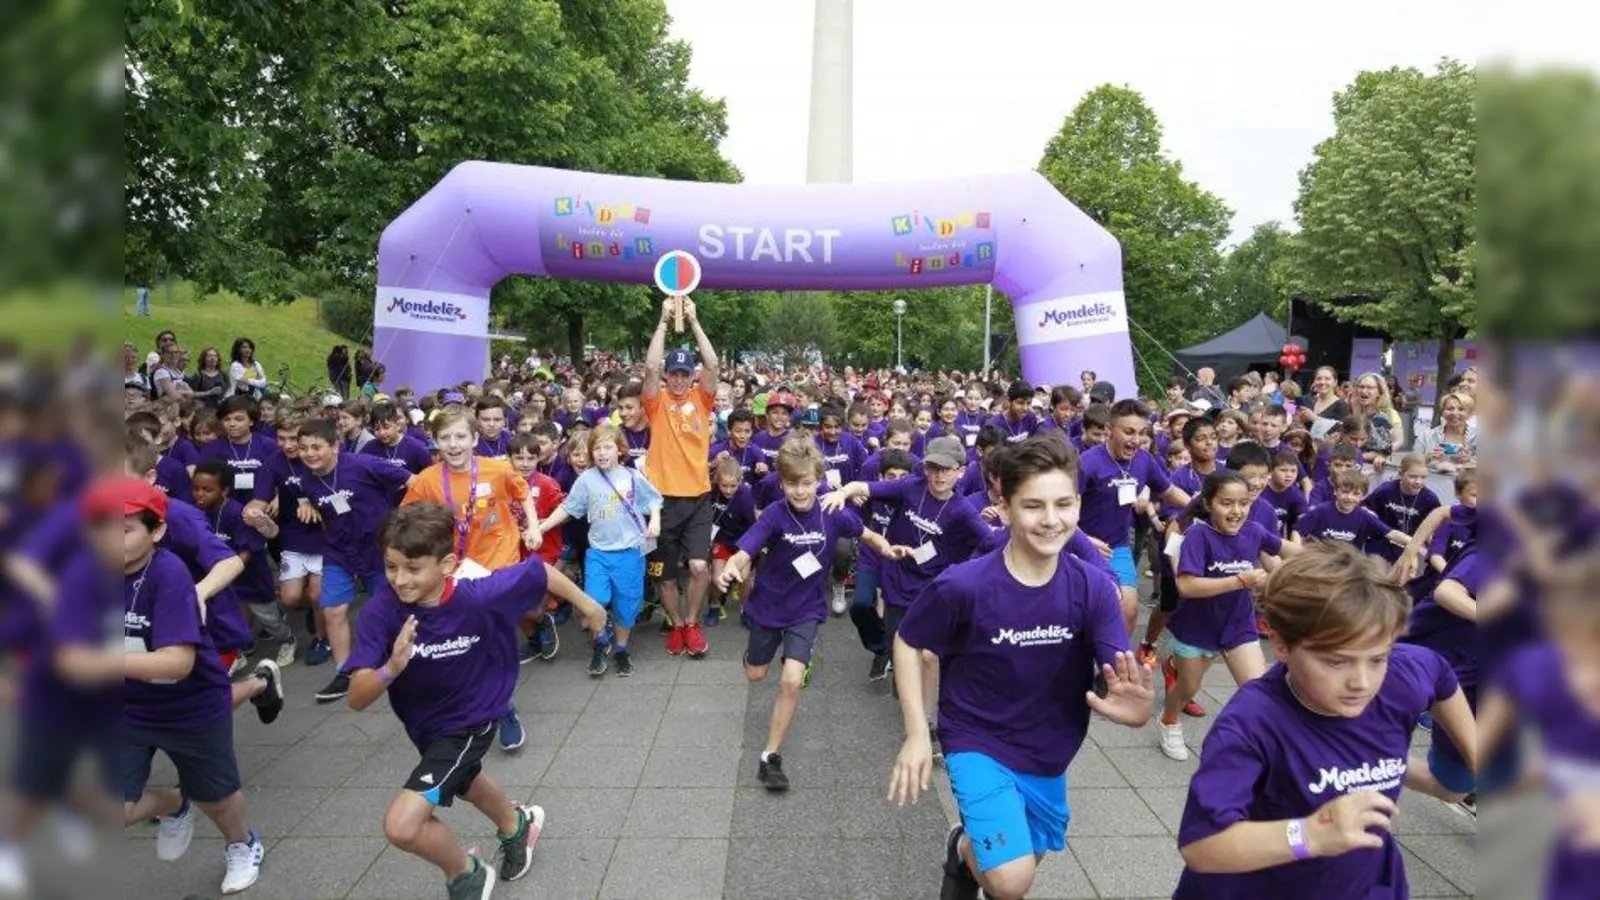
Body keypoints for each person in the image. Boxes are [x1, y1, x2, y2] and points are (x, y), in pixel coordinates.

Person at [886, 436, 1155, 900]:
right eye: (1033, 506)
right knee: (1011, 883)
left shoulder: (1091, 587)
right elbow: (908, 641)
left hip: (1052, 747)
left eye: (1064, 504)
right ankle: (969, 849)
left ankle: (967, 853)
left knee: (1023, 860)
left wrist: (1132, 705)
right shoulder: (963, 585)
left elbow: (1117, 670)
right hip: (976, 739)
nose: (1051, 520)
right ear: (1004, 507)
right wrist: (916, 733)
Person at [1173, 542, 1475, 898]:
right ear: (1281, 646)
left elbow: (1439, 676)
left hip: (1365, 882)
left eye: (1377, 659)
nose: (1361, 682)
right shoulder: (1251, 723)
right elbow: (1202, 845)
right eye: (1336, 661)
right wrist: (1309, 834)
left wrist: (1475, 750)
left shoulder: (1403, 672)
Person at [345, 502, 606, 900]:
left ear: (447, 564)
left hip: (475, 717)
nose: (399, 579)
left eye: (413, 568)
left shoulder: (479, 595)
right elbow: (356, 699)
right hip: (425, 723)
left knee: (402, 826)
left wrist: (589, 606)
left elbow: (538, 570)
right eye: (391, 566)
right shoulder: (381, 611)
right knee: (465, 781)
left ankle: (465, 874)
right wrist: (390, 669)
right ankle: (515, 824)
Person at [716, 439, 901, 791]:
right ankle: (758, 656)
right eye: (791, 484)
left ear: (818, 479)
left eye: (806, 483)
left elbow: (868, 534)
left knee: (790, 680)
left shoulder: (832, 511)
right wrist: (732, 567)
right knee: (756, 675)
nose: (799, 491)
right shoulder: (774, 513)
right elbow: (747, 549)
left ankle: (770, 756)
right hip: (769, 605)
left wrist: (886, 548)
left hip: (806, 609)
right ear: (781, 482)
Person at [118, 478, 266, 895]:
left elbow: (178, 663)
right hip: (126, 709)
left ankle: (242, 844)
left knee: (216, 798)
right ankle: (171, 802)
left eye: (123, 529)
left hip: (190, 707)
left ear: (156, 531)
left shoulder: (169, 575)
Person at [402, 408, 544, 749]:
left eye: (460, 436)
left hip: (499, 561)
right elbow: (406, 519)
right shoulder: (427, 480)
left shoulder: (497, 469)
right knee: (478, 639)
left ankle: (501, 702)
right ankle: (500, 704)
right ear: (435, 442)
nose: (454, 445)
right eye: (446, 438)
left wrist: (534, 527)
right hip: (457, 570)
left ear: (475, 439)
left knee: (498, 631)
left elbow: (522, 492)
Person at [247, 417, 414, 703]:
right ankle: (344, 671)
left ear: (335, 446)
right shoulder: (306, 481)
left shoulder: (363, 464)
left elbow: (414, 481)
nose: (309, 454)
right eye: (303, 448)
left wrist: (404, 523)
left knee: (389, 607)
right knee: (333, 610)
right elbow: (325, 512)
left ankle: (406, 661)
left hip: (378, 549)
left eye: (316, 447)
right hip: (338, 551)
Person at [1158, 471, 1302, 762]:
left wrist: (1333, 560)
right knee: (1187, 688)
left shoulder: (1254, 530)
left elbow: (1291, 551)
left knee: (1257, 689)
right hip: (1197, 628)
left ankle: (1257, 744)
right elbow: (1186, 586)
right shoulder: (1198, 536)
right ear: (1210, 504)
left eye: (1243, 503)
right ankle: (1169, 720)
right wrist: (1240, 581)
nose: (1236, 511)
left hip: (1238, 625)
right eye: (1226, 503)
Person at [538, 424, 664, 677]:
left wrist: (655, 519)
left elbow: (653, 499)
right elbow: (569, 507)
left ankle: (620, 649)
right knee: (595, 602)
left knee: (626, 606)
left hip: (629, 553)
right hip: (598, 554)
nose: (602, 453)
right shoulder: (586, 479)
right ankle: (600, 642)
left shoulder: (631, 476)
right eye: (597, 447)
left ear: (620, 450)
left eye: (608, 447)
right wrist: (543, 526)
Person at [641, 296, 720, 659]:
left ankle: (691, 622)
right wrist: (662, 322)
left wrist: (695, 322)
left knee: (700, 566)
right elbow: (650, 368)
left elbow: (714, 363)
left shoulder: (702, 400)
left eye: (684, 373)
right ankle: (676, 625)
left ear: (692, 377)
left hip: (699, 498)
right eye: (673, 372)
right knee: (665, 575)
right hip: (660, 503)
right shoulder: (655, 404)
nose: (676, 378)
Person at [1077, 400, 1192, 637]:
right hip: (1079, 547)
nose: (1136, 440)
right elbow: (1063, 511)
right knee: (1082, 613)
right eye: (1129, 432)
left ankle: (1117, 665)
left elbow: (1168, 491)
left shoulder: (1144, 460)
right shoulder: (1087, 463)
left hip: (1117, 547)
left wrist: (1201, 507)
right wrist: (1083, 540)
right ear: (1109, 430)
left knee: (1128, 609)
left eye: (1141, 433)